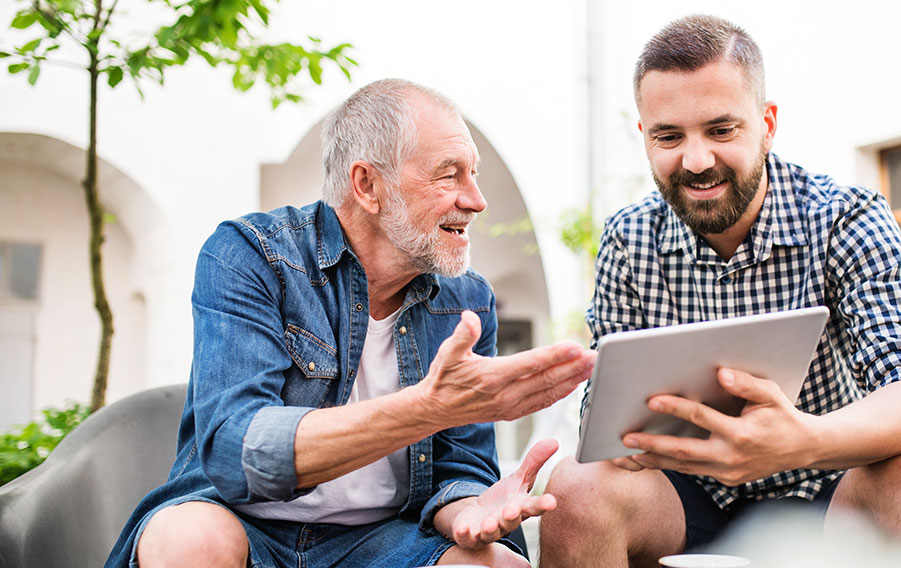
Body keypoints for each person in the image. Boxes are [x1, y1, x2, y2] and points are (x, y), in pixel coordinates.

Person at [105, 79, 596, 568]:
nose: (476, 199)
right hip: (240, 521)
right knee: (188, 541)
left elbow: (458, 467)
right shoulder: (251, 255)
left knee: (498, 566)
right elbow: (237, 448)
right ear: (367, 185)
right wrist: (425, 408)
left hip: (381, 540)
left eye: (474, 174)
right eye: (450, 175)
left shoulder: (467, 300)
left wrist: (470, 509)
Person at [539, 14, 901, 567]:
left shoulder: (846, 217)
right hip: (683, 499)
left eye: (721, 130)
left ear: (766, 124)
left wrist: (801, 440)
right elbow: (607, 426)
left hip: (832, 492)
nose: (696, 161)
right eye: (670, 136)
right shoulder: (628, 239)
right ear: (645, 138)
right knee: (574, 487)